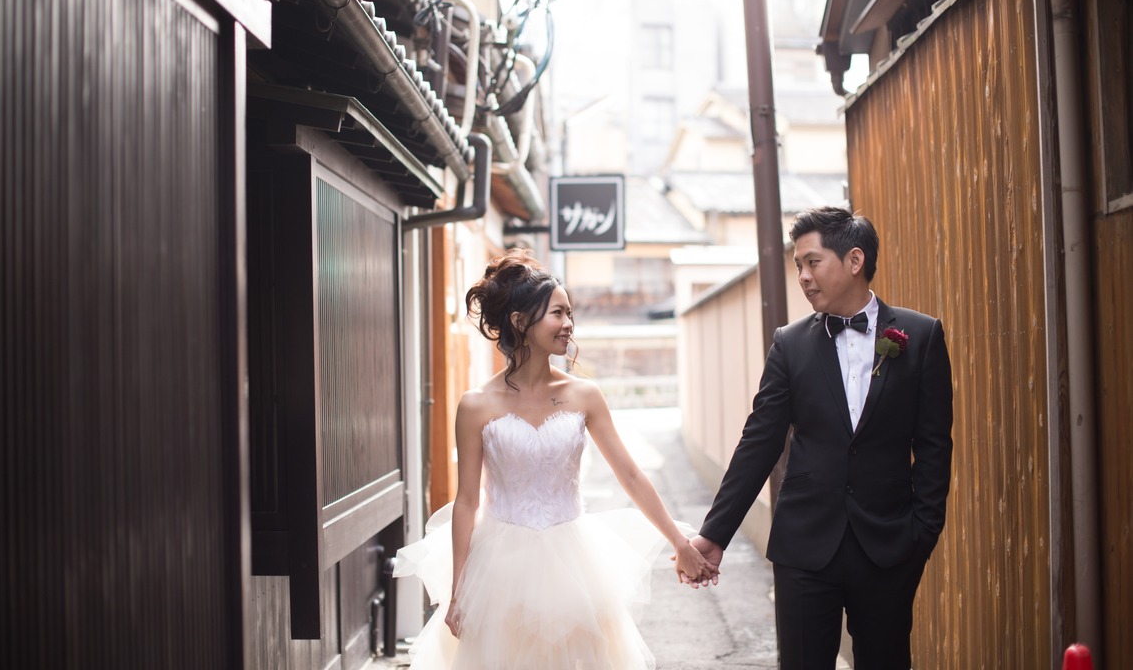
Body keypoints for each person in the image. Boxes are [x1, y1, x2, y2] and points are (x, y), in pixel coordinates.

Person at [394, 248, 715, 670]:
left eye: (570, 314)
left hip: (574, 567)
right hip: (499, 571)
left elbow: (632, 476)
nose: (568, 325)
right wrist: (459, 592)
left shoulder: (585, 395)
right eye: (558, 313)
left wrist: (680, 543)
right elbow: (468, 502)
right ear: (520, 321)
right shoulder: (475, 405)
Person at [684, 206, 953, 670]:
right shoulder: (789, 344)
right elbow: (759, 442)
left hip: (889, 546)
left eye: (813, 262)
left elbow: (933, 443)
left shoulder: (920, 335)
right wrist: (715, 533)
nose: (804, 277)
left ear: (854, 260)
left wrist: (922, 533)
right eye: (798, 266)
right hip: (804, 548)